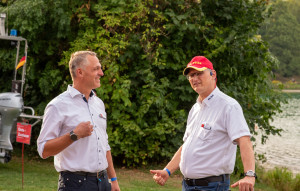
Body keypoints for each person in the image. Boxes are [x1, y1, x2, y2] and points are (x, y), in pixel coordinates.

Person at [150, 56, 256, 191]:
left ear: (213, 74)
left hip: (212, 187)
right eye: (191, 75)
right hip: (188, 186)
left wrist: (249, 175)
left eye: (199, 73)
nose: (194, 78)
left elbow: (244, 140)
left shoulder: (228, 106)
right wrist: (167, 171)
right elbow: (186, 146)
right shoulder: (195, 109)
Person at [37, 51, 120, 191]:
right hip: (75, 184)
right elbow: (43, 150)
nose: (101, 73)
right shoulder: (57, 105)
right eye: (96, 69)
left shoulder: (98, 103)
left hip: (104, 182)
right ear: (80, 72)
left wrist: (113, 180)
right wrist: (74, 135)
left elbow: (104, 145)